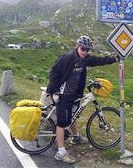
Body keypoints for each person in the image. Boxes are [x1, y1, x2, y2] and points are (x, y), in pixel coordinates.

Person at [46, 35, 117, 163]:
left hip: (75, 94)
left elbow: (99, 60)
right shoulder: (66, 58)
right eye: (83, 48)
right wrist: (54, 91)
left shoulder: (85, 59)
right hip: (63, 95)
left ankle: (76, 137)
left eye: (87, 49)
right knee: (62, 123)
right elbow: (54, 73)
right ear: (77, 46)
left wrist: (114, 59)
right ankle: (61, 152)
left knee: (74, 116)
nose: (85, 51)